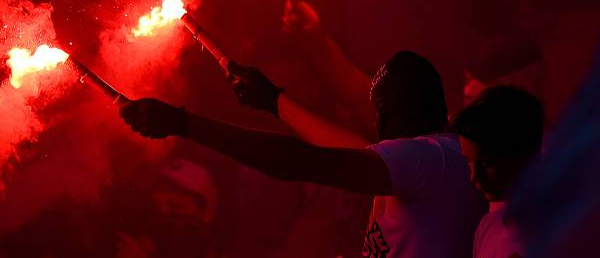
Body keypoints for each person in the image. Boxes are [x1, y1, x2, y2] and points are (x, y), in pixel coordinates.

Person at [120, 51, 487, 257]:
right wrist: (273, 101)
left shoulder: (426, 159)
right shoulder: (440, 156)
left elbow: (299, 160)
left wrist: (185, 124)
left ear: (384, 115)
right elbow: (341, 147)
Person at [451, 85, 544, 258]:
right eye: (468, 162)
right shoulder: (487, 226)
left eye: (487, 163)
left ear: (524, 154)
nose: (474, 176)